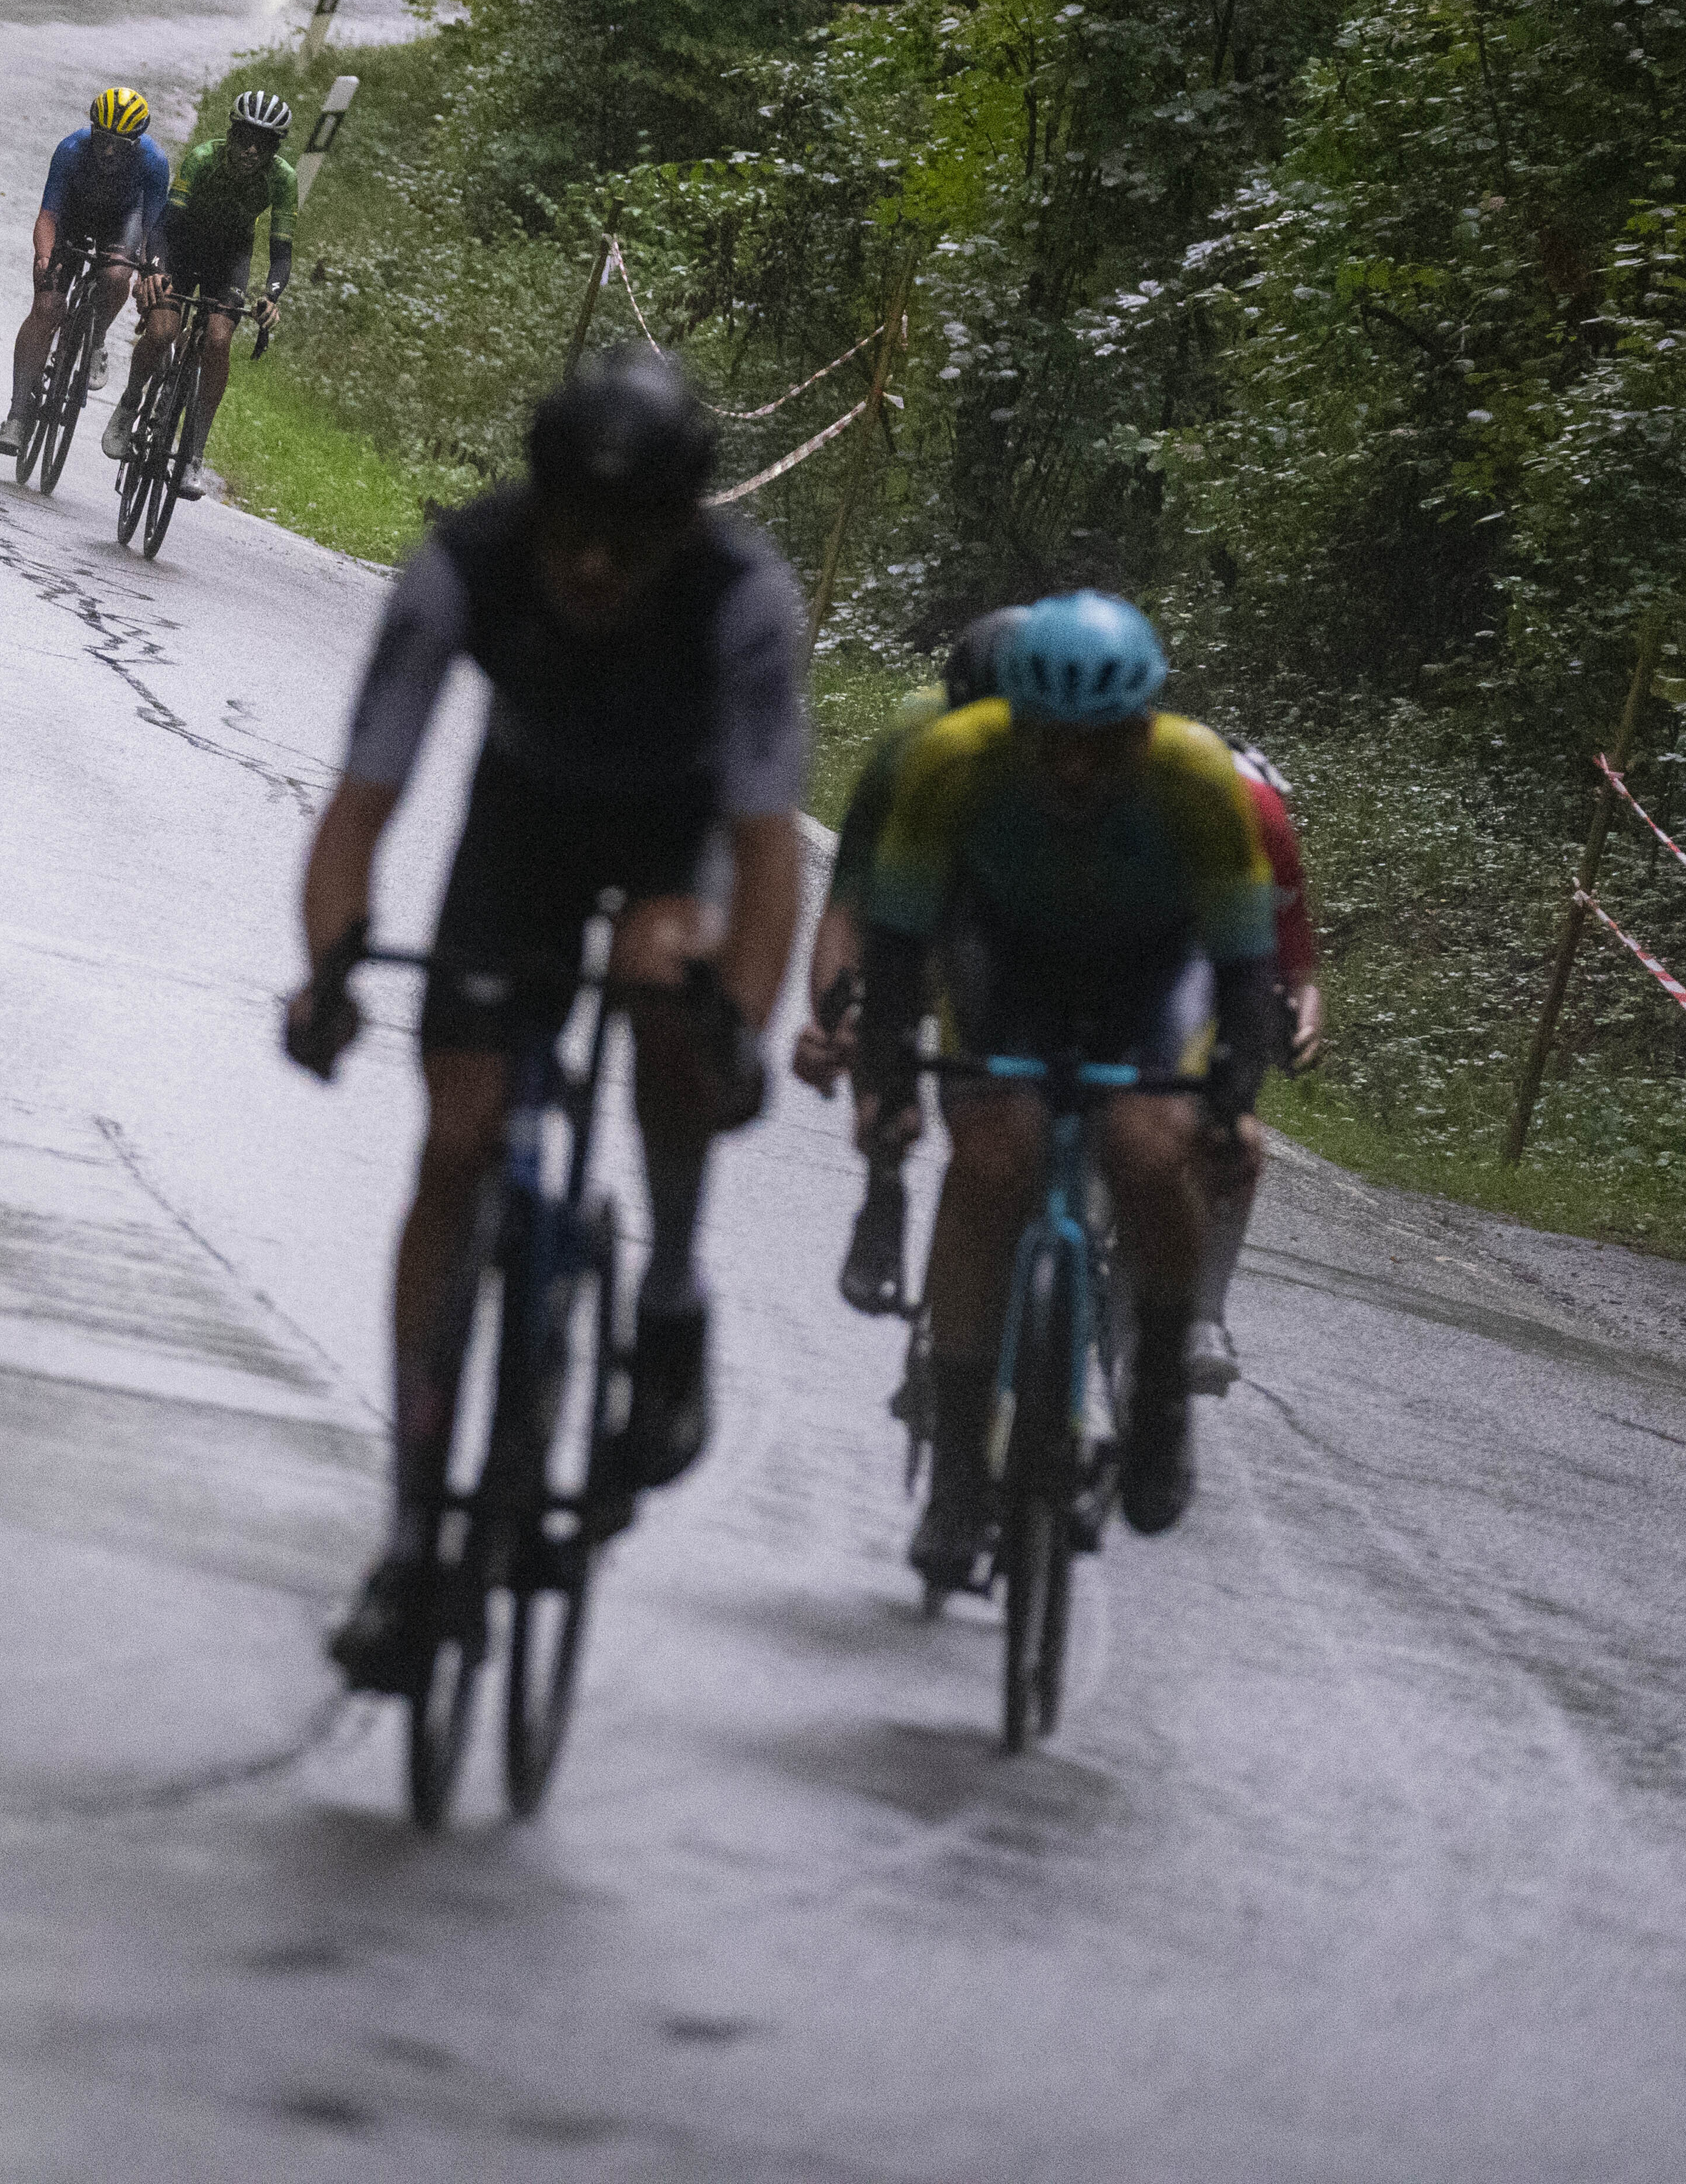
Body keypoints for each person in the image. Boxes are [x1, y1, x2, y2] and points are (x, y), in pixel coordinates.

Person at [284, 348, 812, 1693]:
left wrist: (738, 1023)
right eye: (568, 529)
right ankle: (412, 1534)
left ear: (680, 526)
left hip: (673, 839)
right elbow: (358, 806)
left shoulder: (742, 602)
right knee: (454, 1141)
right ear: (536, 503)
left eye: (624, 540)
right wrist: (333, 964)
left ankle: (673, 1290)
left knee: (658, 976)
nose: (587, 565)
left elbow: (763, 859)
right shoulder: (462, 563)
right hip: (519, 827)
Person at [847, 592, 1284, 1585]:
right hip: (1012, 959)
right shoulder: (951, 762)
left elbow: (1248, 969)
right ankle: (961, 1471)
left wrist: (1227, 1099)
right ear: (1015, 725)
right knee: (992, 1158)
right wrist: (889, 1071)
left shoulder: (1198, 780)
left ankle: (1161, 1388)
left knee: (1147, 1147)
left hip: (1153, 969)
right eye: (1053, 744)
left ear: (1144, 726)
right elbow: (900, 940)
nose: (1078, 769)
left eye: (1104, 745)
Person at [794, 605, 1027, 1317]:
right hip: (933, 896)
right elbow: (850, 912)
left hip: (1036, 911)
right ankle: (884, 1187)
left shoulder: (1107, 763)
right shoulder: (916, 745)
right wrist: (841, 1019)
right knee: (891, 1073)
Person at [1187, 738, 1322, 1393]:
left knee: (1233, 1131)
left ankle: (1204, 1315)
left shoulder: (1267, 828)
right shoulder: (1129, 794)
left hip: (1220, 966)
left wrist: (1300, 1020)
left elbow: (1292, 968)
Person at [0, 84, 168, 464]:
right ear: (93, 131)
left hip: (122, 223)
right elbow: (48, 217)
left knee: (115, 276)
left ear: (136, 144)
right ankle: (17, 413)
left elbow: (155, 231)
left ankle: (95, 341)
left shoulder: (154, 162)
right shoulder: (72, 150)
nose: (108, 150)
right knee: (47, 308)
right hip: (72, 219)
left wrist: (148, 272)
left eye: (119, 144)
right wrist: (44, 257)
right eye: (102, 139)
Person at [131, 90, 291, 498]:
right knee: (163, 331)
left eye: (265, 143)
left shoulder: (283, 179)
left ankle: (195, 453)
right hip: (182, 246)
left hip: (230, 257)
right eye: (244, 138)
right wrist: (156, 269)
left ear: (275, 149)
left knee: (218, 340)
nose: (251, 150)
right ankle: (130, 403)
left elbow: (281, 252)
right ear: (231, 133)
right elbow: (166, 225)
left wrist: (271, 297)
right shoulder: (203, 158)